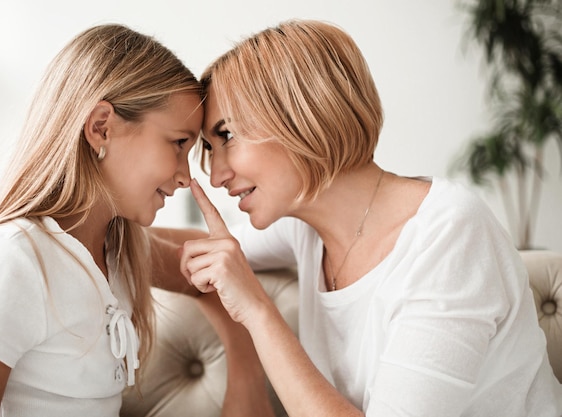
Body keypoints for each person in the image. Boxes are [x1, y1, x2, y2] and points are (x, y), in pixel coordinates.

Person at [154, 19, 562, 417]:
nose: (215, 174)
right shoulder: (304, 227)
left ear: (301, 113)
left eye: (226, 136)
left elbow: (235, 280)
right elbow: (194, 253)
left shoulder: (449, 234)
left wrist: (258, 311)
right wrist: (100, 219)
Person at [0, 24, 206, 417]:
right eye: (179, 143)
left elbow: (212, 276)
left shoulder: (118, 251)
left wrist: (246, 391)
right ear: (101, 127)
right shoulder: (11, 262)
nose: (186, 175)